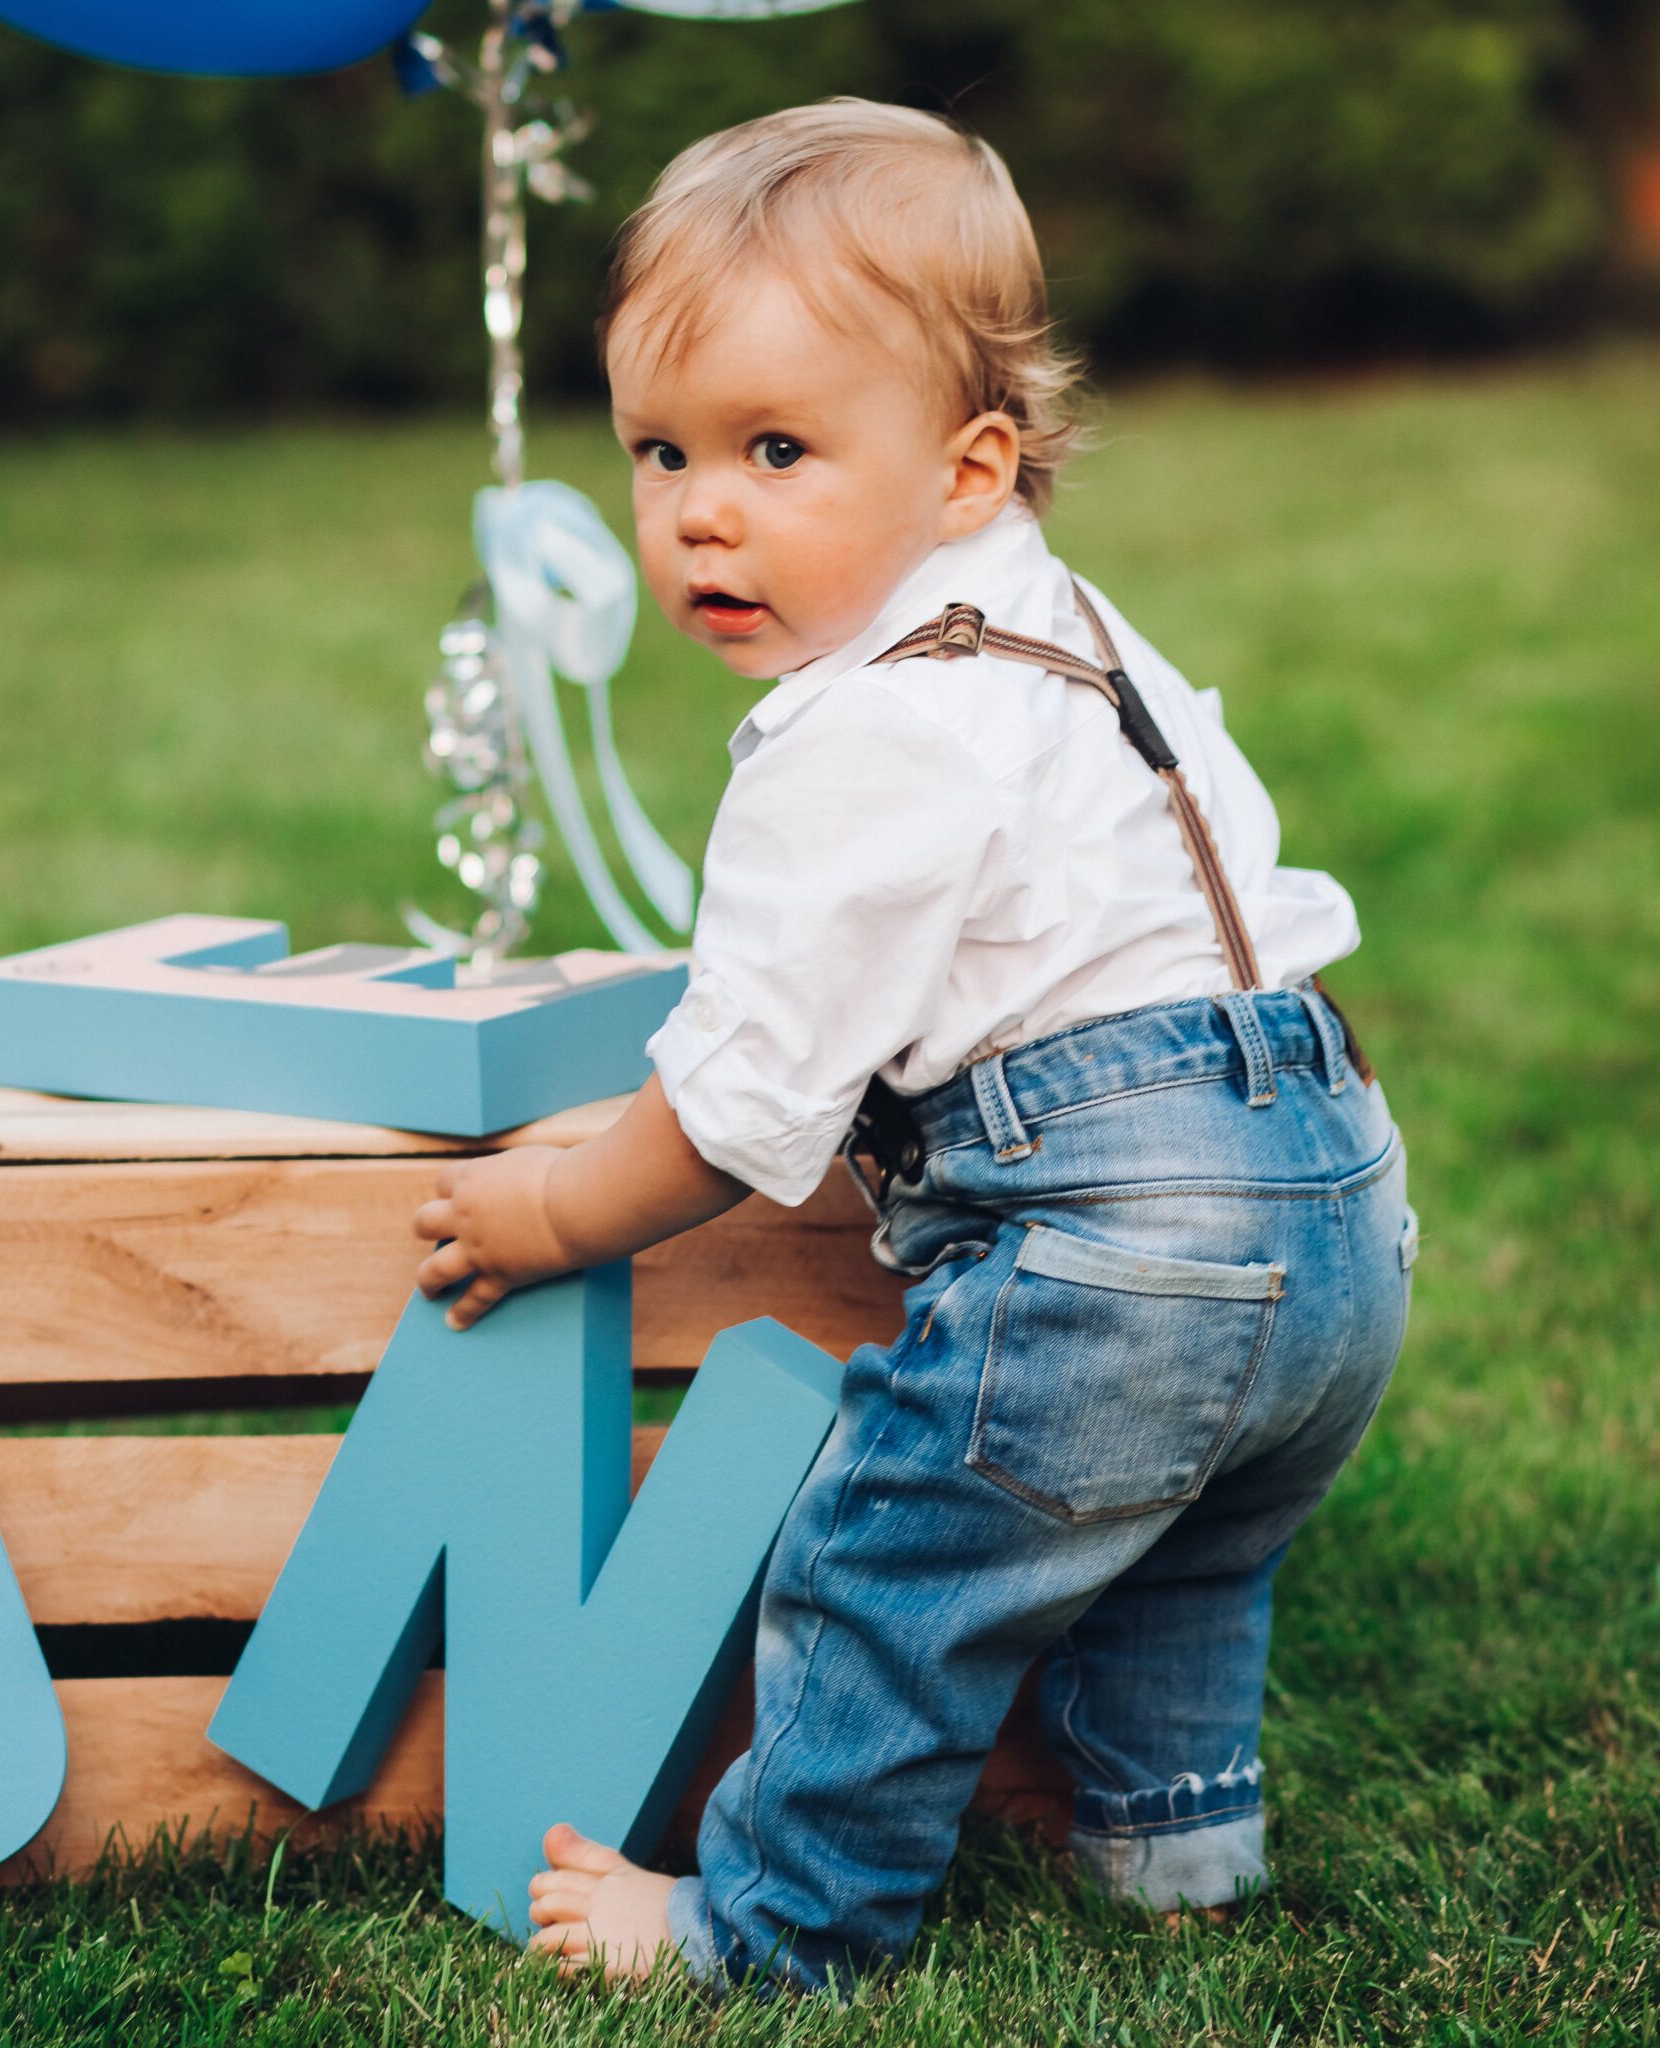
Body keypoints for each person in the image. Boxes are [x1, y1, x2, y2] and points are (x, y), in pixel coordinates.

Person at [410, 99, 1414, 1996]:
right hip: (1340, 1201)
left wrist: (556, 1215)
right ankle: (1177, 1847)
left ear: (970, 470)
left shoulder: (863, 733)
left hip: (1122, 1240)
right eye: (661, 452)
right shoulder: (1073, 634)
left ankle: (775, 1927)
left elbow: (736, 1104)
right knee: (1186, 1547)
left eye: (779, 450)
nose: (703, 509)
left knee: (889, 1562)